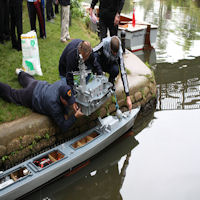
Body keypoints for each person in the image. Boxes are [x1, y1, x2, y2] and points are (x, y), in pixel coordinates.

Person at [0, 70, 83, 133]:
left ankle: (21, 73)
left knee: (28, 80)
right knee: (12, 95)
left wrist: (72, 103)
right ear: (61, 98)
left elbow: (68, 96)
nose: (69, 103)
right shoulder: (53, 105)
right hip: (31, 96)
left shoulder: (62, 84)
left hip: (38, 84)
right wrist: (75, 116)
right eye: (68, 101)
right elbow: (63, 127)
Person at [93, 36, 132, 110]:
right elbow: (93, 51)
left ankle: (111, 82)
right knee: (95, 56)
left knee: (116, 70)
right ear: (110, 46)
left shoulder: (120, 52)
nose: (114, 54)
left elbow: (123, 72)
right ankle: (98, 77)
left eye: (115, 53)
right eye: (113, 52)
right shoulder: (104, 43)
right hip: (101, 63)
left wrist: (128, 96)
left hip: (110, 65)